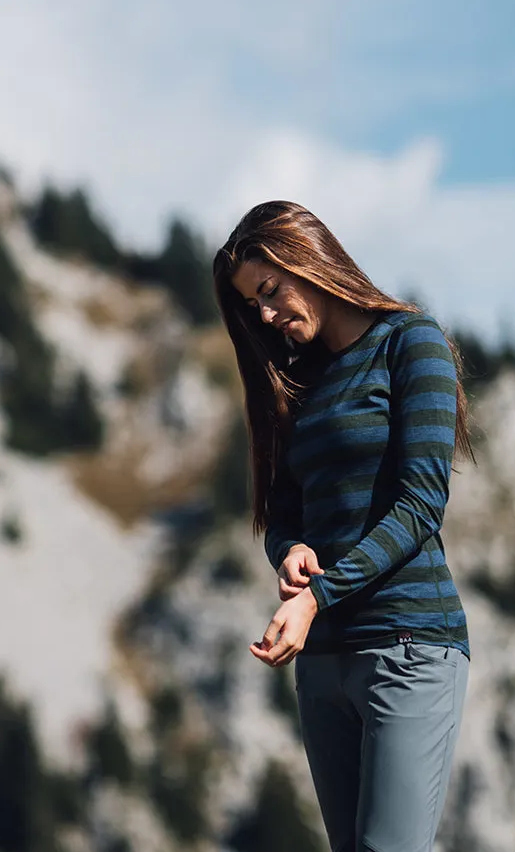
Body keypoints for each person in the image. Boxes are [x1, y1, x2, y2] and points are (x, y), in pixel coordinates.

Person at [213, 200, 472, 852]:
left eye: (271, 291)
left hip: (408, 648)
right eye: (253, 306)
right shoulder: (295, 382)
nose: (266, 315)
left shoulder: (412, 343)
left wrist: (317, 599)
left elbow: (420, 506)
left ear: (310, 257)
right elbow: (281, 510)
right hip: (323, 664)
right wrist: (290, 548)